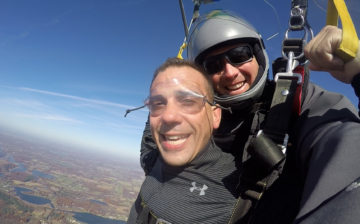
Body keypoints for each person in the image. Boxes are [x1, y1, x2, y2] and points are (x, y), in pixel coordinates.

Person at [138, 10, 360, 223]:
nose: (230, 72)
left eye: (239, 55)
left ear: (258, 55)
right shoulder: (189, 116)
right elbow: (151, 152)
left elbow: (347, 146)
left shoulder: (294, 104)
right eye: (213, 65)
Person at [127, 58, 244, 223]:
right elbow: (148, 141)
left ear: (215, 116)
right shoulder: (153, 160)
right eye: (158, 104)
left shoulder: (238, 190)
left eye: (188, 102)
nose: (168, 116)